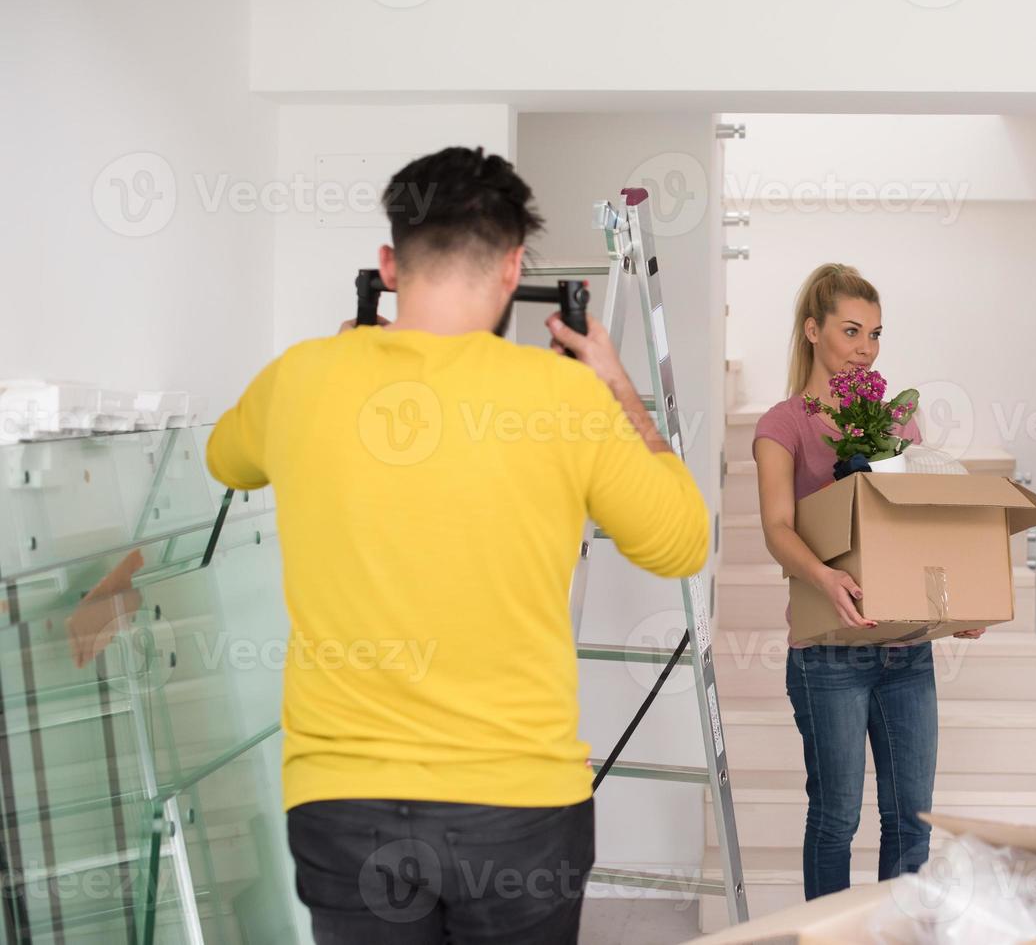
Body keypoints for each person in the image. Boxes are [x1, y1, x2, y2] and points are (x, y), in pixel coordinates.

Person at [206, 146, 709, 943]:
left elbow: (224, 461)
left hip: (343, 807)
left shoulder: (298, 378)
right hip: (518, 810)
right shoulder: (565, 398)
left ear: (388, 264)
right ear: (512, 269)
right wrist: (619, 392)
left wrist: (340, 356)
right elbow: (681, 543)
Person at [750, 263, 983, 901]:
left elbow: (918, 529)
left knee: (911, 822)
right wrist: (825, 577)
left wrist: (950, 605)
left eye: (876, 334)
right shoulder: (784, 424)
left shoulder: (897, 421)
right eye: (852, 331)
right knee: (836, 819)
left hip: (905, 651)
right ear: (811, 331)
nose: (866, 348)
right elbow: (777, 527)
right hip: (829, 654)